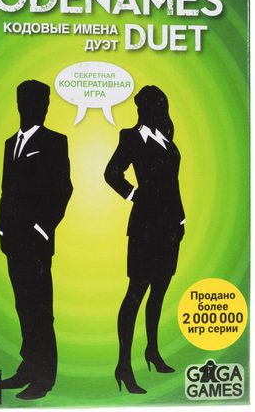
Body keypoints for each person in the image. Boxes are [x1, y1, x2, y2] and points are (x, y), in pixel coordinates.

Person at [104, 85, 185, 394]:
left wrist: (181, 218)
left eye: (156, 106)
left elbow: (173, 183)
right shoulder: (131, 137)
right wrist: (134, 195)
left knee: (159, 292)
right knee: (136, 292)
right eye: (146, 106)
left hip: (171, 226)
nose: (149, 111)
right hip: (145, 227)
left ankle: (152, 351)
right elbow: (111, 173)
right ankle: (124, 365)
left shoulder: (167, 140)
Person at [0, 80, 73, 400]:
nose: (40, 108)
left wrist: (43, 228)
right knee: (23, 306)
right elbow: (6, 189)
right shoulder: (9, 143)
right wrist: (1, 229)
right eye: (33, 102)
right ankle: (28, 367)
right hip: (13, 238)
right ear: (20, 104)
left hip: (37, 241)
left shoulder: (55, 141)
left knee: (41, 309)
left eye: (44, 102)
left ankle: (44, 378)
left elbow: (64, 188)